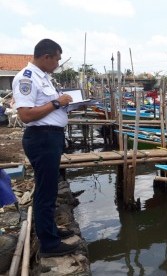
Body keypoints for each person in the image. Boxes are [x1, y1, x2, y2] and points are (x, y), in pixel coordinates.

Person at [13, 39, 77, 258]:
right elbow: (25, 114)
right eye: (57, 59)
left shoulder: (45, 78)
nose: (58, 63)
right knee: (45, 191)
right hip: (42, 138)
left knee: (48, 188)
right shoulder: (27, 78)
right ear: (46, 56)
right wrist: (57, 103)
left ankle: (50, 231)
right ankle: (49, 244)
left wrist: (65, 104)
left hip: (51, 137)